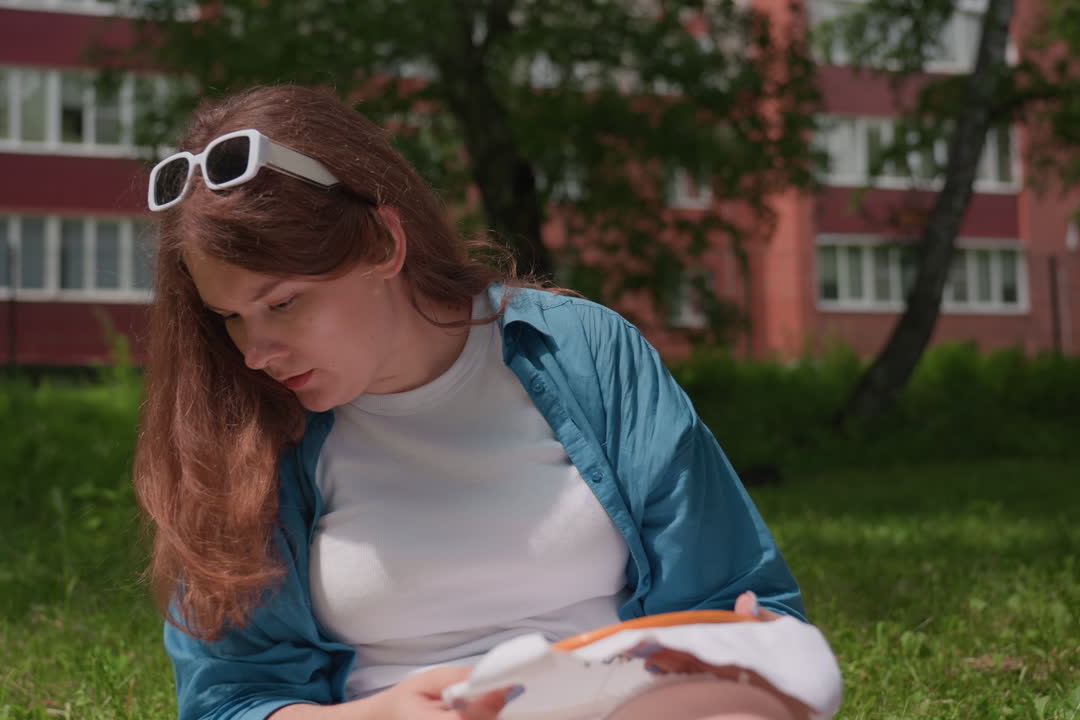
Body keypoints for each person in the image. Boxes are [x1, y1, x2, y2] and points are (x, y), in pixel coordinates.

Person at [133, 84, 815, 720]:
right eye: (231, 317)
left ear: (384, 244)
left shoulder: (584, 351)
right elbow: (231, 700)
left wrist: (739, 649)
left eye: (283, 303)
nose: (255, 352)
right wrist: (378, 716)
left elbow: (735, 599)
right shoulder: (245, 428)